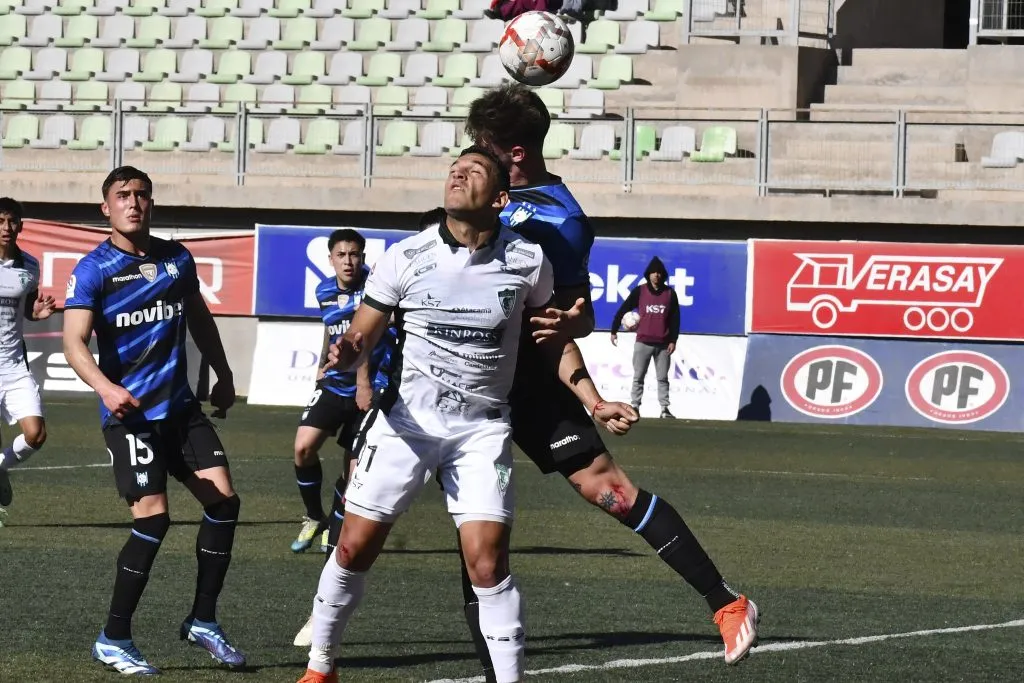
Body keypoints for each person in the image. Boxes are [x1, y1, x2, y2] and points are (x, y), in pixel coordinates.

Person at [296, 147, 636, 683]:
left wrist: (593, 401)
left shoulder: (527, 260)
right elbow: (364, 331)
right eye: (454, 167)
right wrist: (349, 350)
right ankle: (320, 670)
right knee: (353, 546)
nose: (457, 173)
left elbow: (550, 340)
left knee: (488, 563)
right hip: (406, 426)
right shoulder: (405, 257)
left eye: (473, 170)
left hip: (481, 431)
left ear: (500, 198)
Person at [461, 84, 759, 678]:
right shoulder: (474, 189)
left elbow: (574, 316)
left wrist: (590, 394)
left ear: (514, 152)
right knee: (469, 537)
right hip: (461, 379)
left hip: (525, 383)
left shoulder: (561, 220)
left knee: (612, 492)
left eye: (484, 143)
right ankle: (335, 605)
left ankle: (726, 602)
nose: (472, 151)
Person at [63, 166, 245, 675]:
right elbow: (73, 342)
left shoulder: (175, 258)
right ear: (106, 208)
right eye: (122, 195)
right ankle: (113, 637)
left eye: (141, 194)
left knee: (224, 504)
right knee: (154, 519)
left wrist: (224, 372)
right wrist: (106, 388)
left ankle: (203, 620)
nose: (133, 202)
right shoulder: (94, 269)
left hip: (182, 412)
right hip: (131, 418)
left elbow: (200, 317)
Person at [291, 230, 396, 648]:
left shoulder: (376, 288)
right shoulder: (322, 290)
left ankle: (334, 540)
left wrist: (364, 382)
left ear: (363, 257)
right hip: (334, 384)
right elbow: (330, 330)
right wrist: (320, 365)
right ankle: (314, 516)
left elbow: (367, 338)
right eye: (342, 255)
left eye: (355, 254)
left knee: (353, 479)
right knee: (302, 447)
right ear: (330, 259)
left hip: (366, 386)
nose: (349, 261)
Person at [0, 197, 56, 511]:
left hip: (13, 366)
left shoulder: (30, 266)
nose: (7, 228)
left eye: (12, 221)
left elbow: (28, 308)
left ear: (20, 225)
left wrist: (37, 312)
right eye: (1, 221)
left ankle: (1, 466)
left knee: (36, 434)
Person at [610, 256, 680, 418]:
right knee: (638, 376)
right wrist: (614, 329)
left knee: (663, 378)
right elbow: (624, 308)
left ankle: (664, 408)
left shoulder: (670, 294)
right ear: (648, 274)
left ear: (663, 275)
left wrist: (673, 340)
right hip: (643, 342)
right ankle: (635, 406)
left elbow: (675, 318)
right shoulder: (640, 291)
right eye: (653, 272)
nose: (656, 275)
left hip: (663, 344)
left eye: (659, 272)